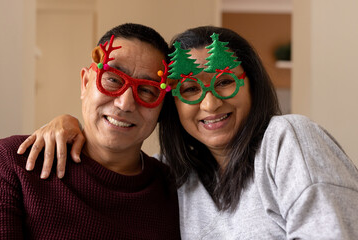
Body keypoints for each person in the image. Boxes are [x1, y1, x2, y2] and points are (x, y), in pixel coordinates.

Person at [18, 26, 358, 239]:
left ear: (252, 84)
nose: (209, 105)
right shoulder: (177, 176)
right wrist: (69, 122)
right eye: (190, 89)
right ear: (172, 104)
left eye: (224, 81)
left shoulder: (287, 138)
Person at [0, 23, 181, 239]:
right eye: (112, 79)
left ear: (162, 107)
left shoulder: (176, 191)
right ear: (85, 83)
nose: (125, 104)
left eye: (147, 90)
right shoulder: (13, 162)